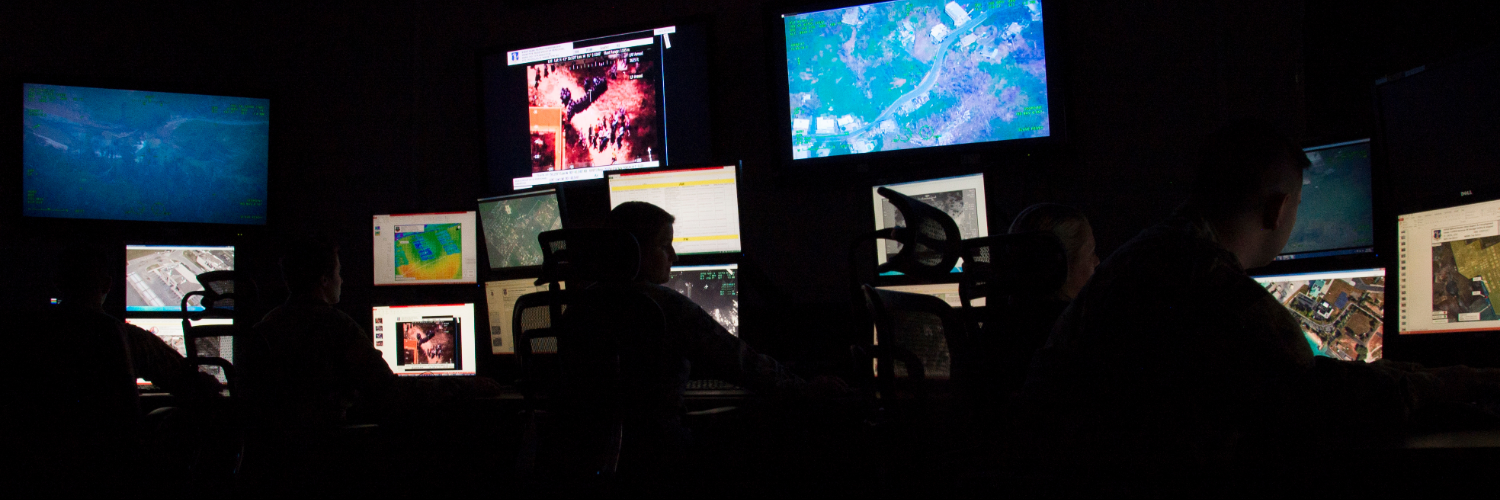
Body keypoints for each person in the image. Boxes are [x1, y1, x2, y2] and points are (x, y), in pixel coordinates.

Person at [1019, 120, 1500, 496]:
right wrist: (1458, 382)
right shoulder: (1218, 293)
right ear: (1278, 208)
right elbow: (1324, 400)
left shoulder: (1139, 257)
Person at [240, 239, 395, 430]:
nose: (341, 280)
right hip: (328, 439)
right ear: (324, 280)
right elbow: (383, 384)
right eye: (338, 273)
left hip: (274, 440)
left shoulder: (267, 325)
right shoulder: (339, 326)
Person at [977, 203, 1099, 398]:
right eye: (1091, 253)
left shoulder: (996, 327)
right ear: (1060, 266)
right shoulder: (1078, 337)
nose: (1097, 262)